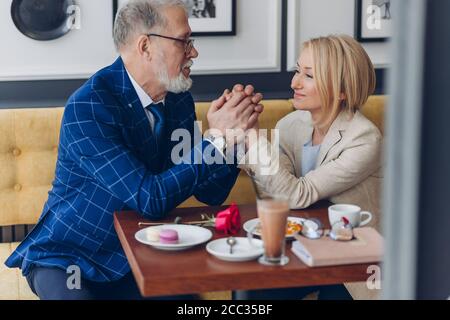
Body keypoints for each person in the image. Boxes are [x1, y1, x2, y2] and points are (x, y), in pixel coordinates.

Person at [4, 0, 263, 300]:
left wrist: (233, 138)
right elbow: (148, 197)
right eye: (184, 41)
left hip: (139, 254)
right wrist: (215, 140)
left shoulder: (178, 100)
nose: (194, 51)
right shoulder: (90, 105)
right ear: (145, 46)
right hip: (70, 257)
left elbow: (210, 193)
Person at [236, 34, 383, 300]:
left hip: (351, 260)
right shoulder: (290, 125)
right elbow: (275, 193)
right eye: (296, 71)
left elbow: (297, 194)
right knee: (248, 290)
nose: (294, 83)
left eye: (309, 75)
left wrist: (254, 138)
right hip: (299, 248)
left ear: (342, 91)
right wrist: (240, 137)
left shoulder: (363, 138)